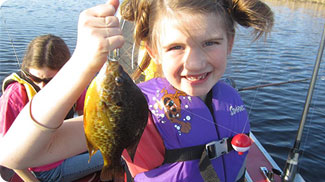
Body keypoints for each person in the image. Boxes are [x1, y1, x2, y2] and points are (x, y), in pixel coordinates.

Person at [0, 0, 273, 181]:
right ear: (153, 51)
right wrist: (80, 64)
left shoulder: (229, 98)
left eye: (211, 42)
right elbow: (14, 155)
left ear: (230, 43)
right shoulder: (142, 106)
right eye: (176, 47)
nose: (195, 62)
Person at [0, 34, 104, 182]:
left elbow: (86, 115)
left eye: (50, 80)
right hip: (44, 169)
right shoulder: (14, 97)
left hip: (64, 149)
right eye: (35, 78)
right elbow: (6, 152)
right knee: (119, 155)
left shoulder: (72, 85)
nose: (41, 86)